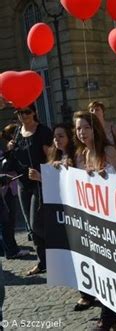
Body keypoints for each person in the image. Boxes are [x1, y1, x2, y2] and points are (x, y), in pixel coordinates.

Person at [73, 111, 116, 330]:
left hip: (114, 218)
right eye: (77, 128)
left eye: (85, 127)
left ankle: (109, 317)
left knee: (113, 268)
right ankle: (109, 314)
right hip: (93, 221)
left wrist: (107, 179)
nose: (81, 132)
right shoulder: (82, 154)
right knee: (101, 269)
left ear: (95, 128)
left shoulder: (109, 150)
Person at [5, 104, 52, 276]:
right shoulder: (17, 133)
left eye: (27, 112)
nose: (24, 115)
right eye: (20, 112)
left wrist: (42, 173)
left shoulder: (43, 132)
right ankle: (43, 262)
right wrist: (11, 148)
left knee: (36, 224)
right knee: (32, 228)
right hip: (23, 184)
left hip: (39, 183)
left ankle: (56, 254)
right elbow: (15, 158)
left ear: (34, 113)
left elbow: (52, 157)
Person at [0, 124, 29, 260]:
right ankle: (11, 250)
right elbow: (5, 166)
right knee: (6, 220)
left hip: (9, 186)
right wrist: (11, 152)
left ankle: (10, 247)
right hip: (5, 187)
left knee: (8, 219)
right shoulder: (7, 148)